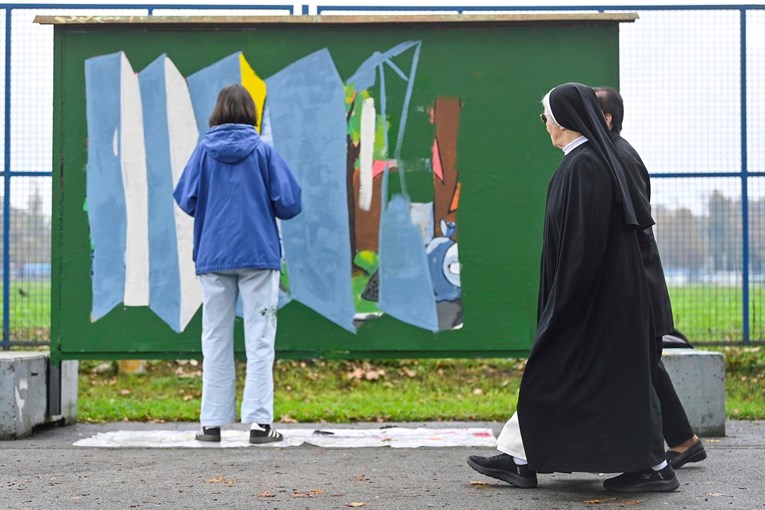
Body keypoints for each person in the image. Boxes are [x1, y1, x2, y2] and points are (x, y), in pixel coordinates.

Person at [467, 82, 678, 492]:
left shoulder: (585, 165)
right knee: (599, 381)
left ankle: (651, 467)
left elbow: (583, 244)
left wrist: (565, 301)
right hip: (604, 300)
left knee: (563, 372)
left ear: (563, 118)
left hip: (593, 302)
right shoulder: (585, 160)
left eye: (545, 114)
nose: (544, 122)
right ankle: (522, 457)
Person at [174, 83, 302, 444]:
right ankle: (260, 426)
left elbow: (186, 197)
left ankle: (211, 424)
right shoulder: (263, 151)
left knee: (214, 338)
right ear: (250, 113)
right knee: (260, 340)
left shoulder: (203, 151)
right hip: (258, 255)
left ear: (217, 112)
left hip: (214, 255)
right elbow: (290, 203)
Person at [594, 86, 707, 469]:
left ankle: (665, 451)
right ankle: (683, 441)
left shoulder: (620, 158)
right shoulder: (615, 154)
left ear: (606, 119)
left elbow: (636, 226)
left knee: (640, 365)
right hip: (637, 282)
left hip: (637, 283)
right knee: (644, 364)